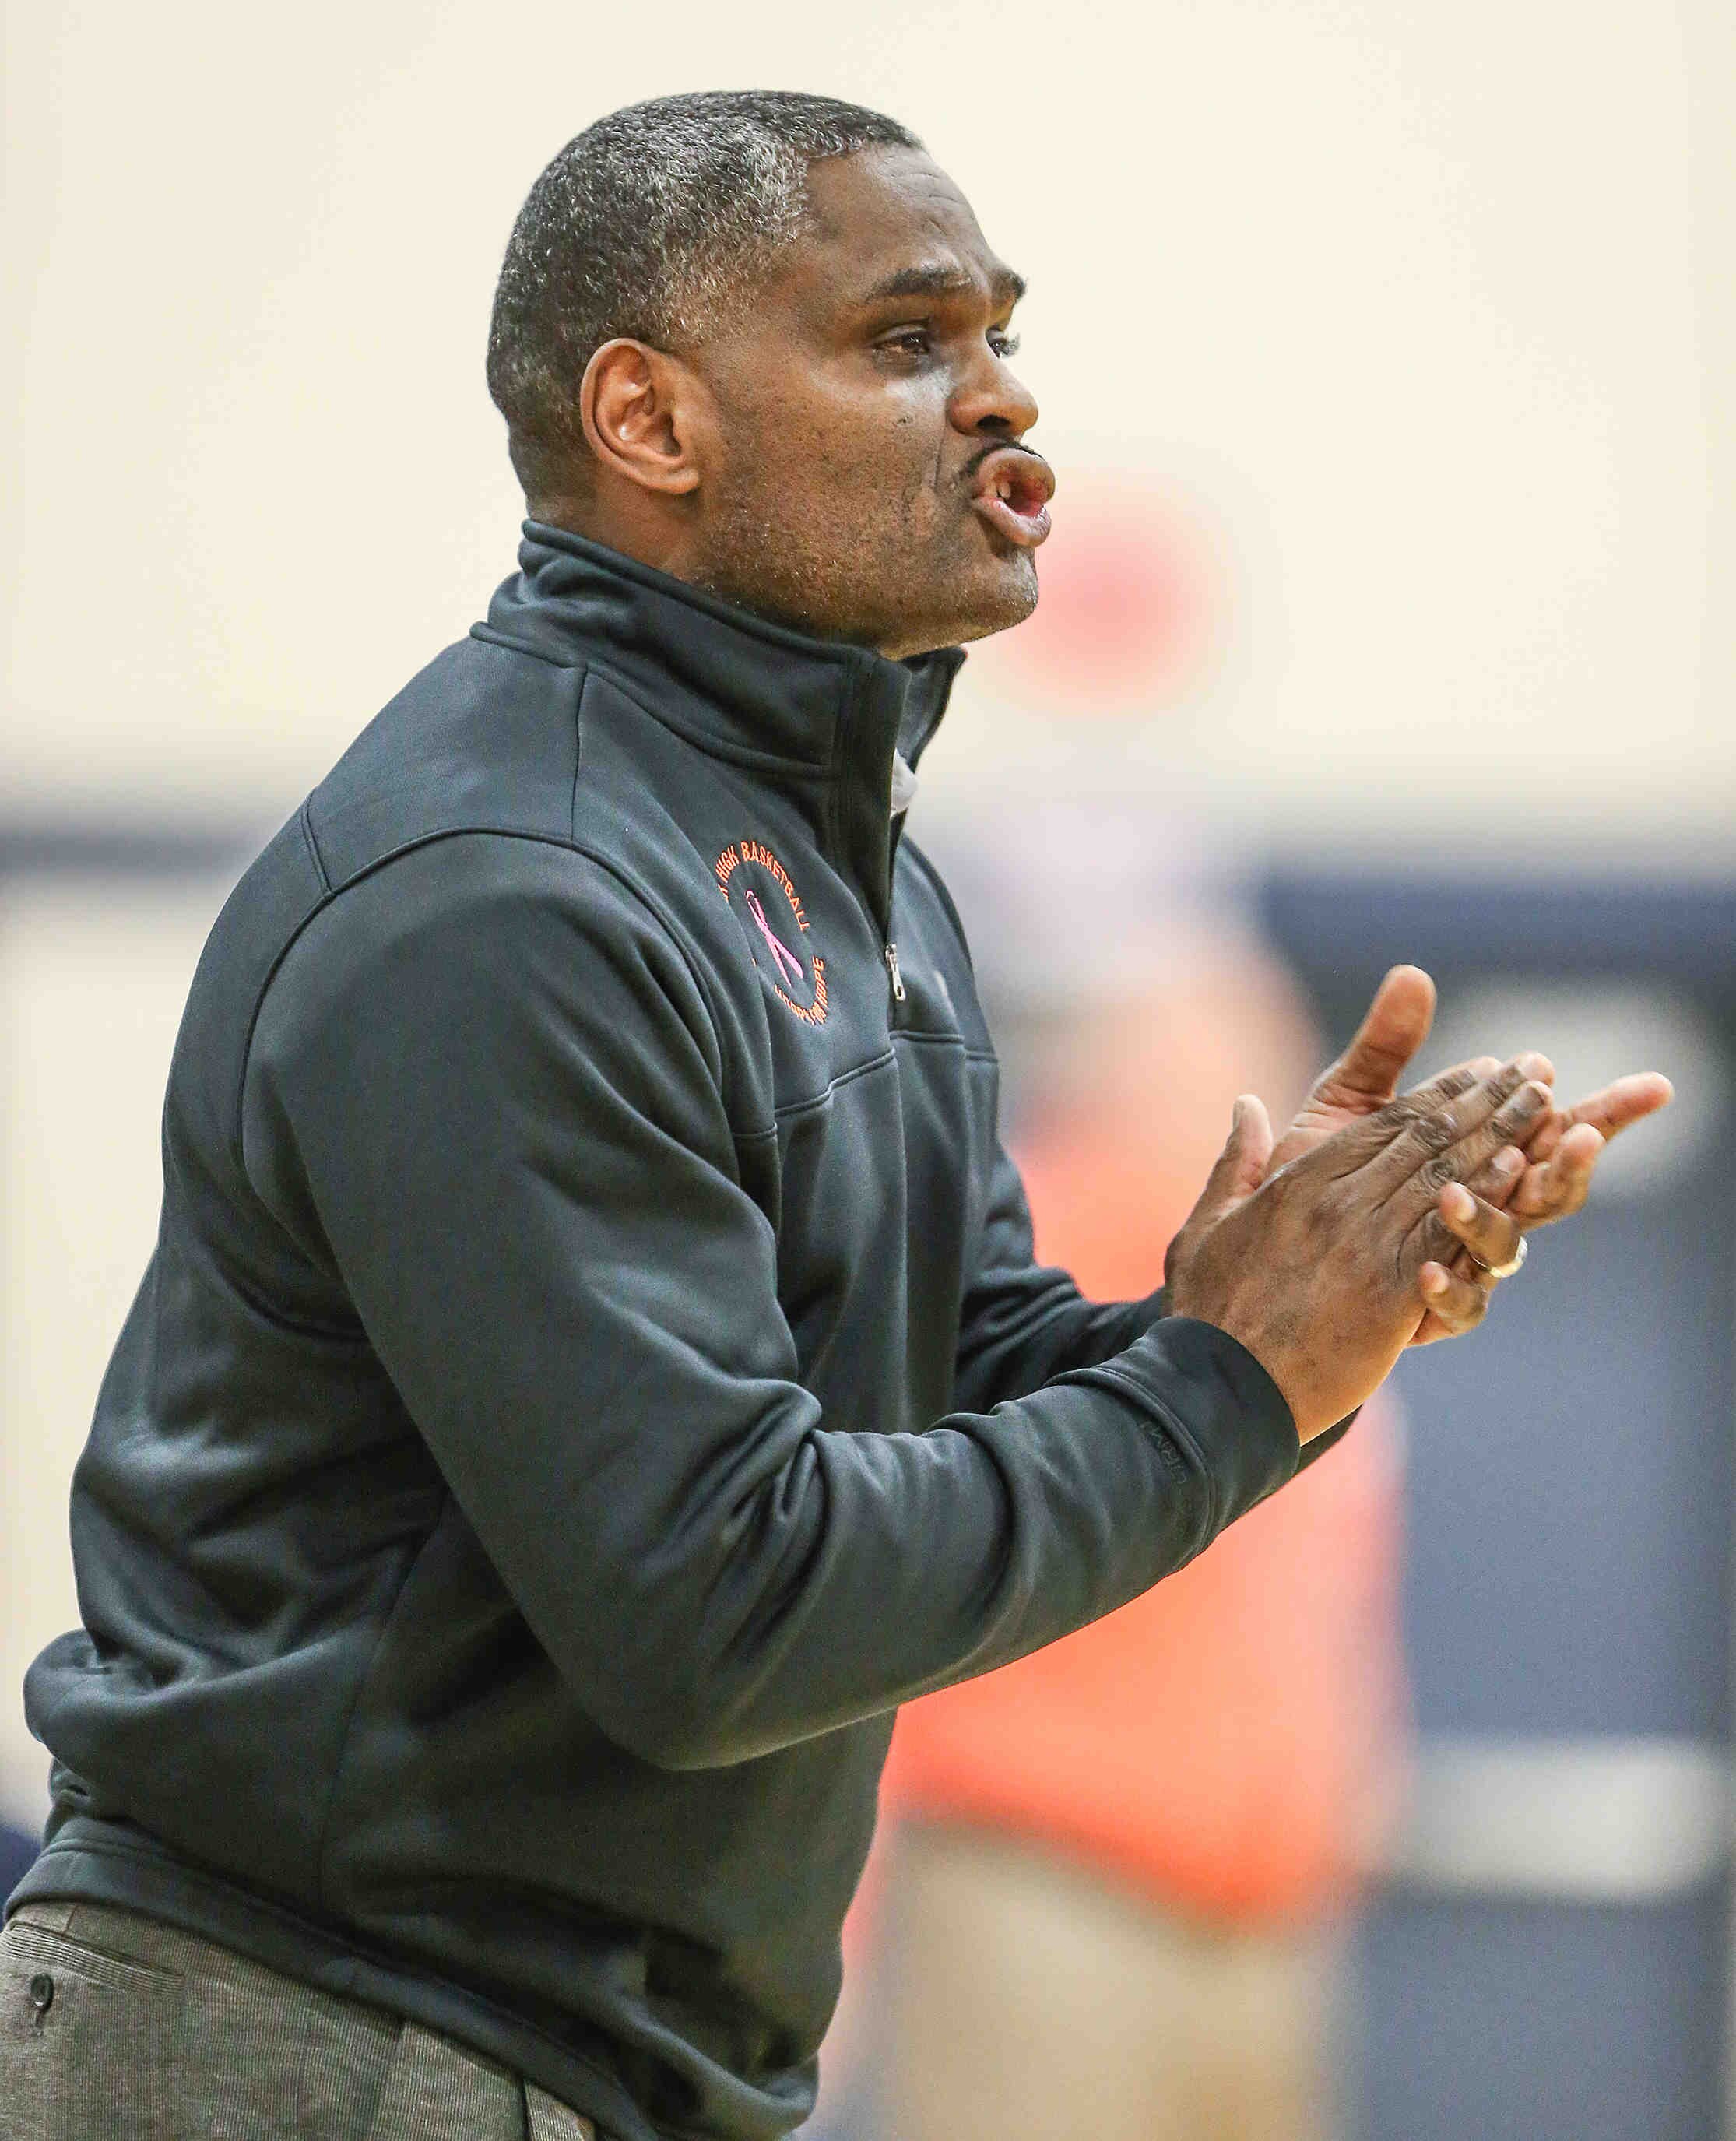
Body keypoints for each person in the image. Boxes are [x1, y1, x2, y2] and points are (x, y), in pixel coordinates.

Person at [0, 91, 1667, 2141]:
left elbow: (953, 1375)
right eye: (905, 341)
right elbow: (720, 1603)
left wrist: (1294, 1301)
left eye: (999, 336)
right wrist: (1228, 1385)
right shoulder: (508, 889)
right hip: (317, 2043)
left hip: (573, 2053)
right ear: (649, 419)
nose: (1002, 399)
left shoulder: (846, 867)